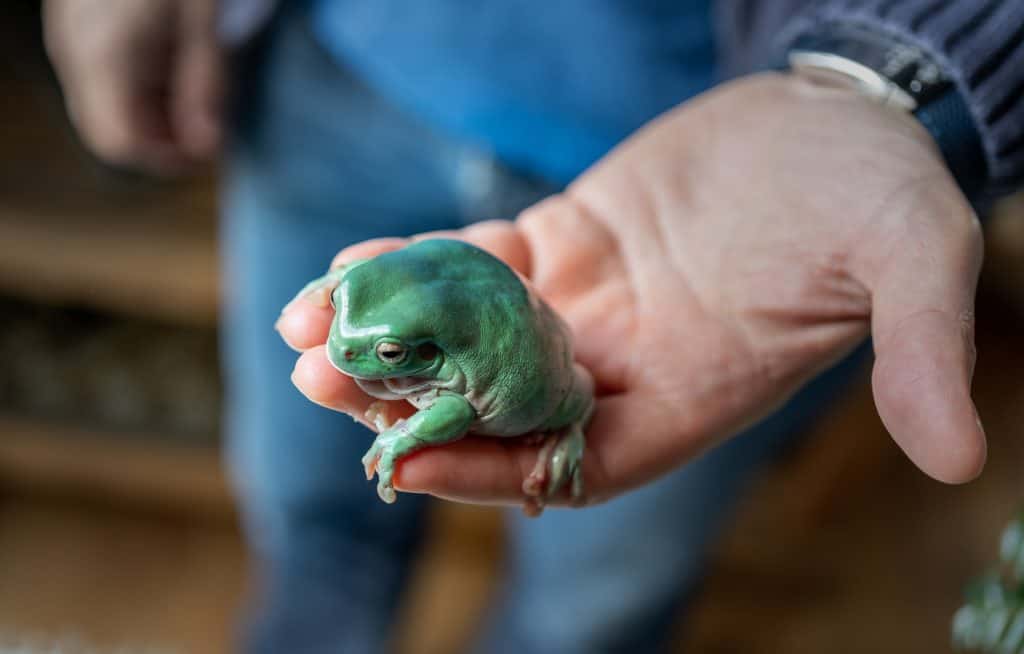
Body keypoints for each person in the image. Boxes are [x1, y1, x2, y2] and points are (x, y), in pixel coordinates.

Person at [44, 1, 1024, 652]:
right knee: (306, 513)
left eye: (377, 353)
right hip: (340, 67)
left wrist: (886, 74)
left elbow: (437, 405)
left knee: (591, 601)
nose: (350, 350)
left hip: (722, 187)